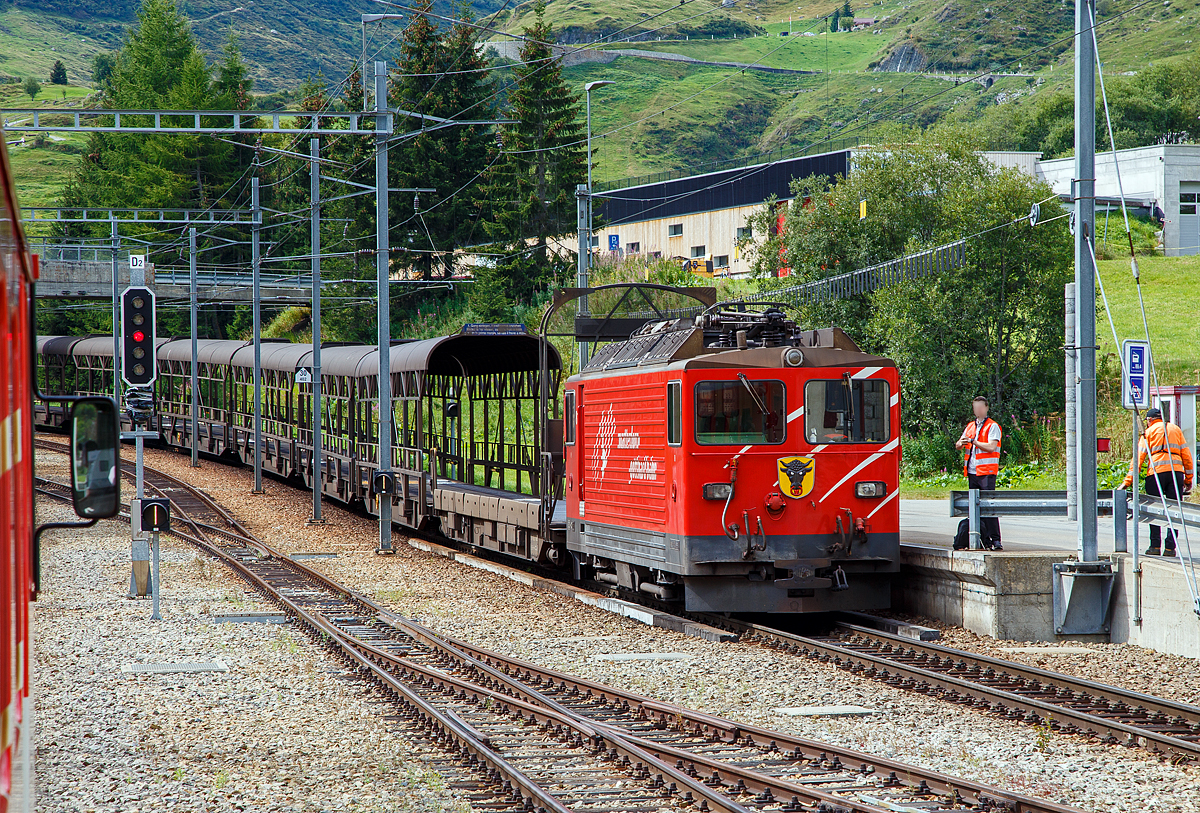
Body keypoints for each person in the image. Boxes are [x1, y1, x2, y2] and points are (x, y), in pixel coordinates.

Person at [1121, 408, 1194, 556]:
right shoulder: (1175, 429)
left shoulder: (1147, 433)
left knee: (1154, 510)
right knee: (1174, 511)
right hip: (1176, 473)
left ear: (1149, 420)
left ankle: (1154, 546)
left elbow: (1138, 459)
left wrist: (1127, 482)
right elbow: (1186, 456)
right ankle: (1170, 548)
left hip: (1156, 473)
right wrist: (1188, 478)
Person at [955, 396, 1003, 551]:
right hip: (972, 472)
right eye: (975, 408)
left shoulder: (992, 426)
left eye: (980, 407)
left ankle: (995, 540)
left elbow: (991, 447)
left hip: (987, 472)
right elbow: (958, 445)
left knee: (989, 506)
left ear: (986, 408)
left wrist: (974, 442)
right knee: (975, 507)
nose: (978, 410)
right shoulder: (970, 426)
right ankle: (983, 539)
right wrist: (961, 443)